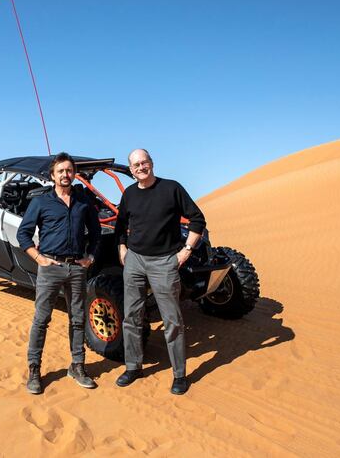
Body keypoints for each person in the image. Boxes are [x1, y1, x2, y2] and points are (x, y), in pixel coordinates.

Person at [114, 148, 206, 395]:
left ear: (151, 164)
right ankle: (133, 366)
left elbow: (197, 219)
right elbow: (120, 224)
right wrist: (122, 248)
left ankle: (179, 374)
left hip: (164, 262)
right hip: (134, 261)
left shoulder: (171, 189)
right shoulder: (130, 194)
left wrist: (186, 251)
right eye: (136, 165)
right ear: (131, 170)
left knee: (172, 320)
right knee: (131, 316)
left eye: (144, 163)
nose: (141, 168)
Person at [17, 152, 102, 394]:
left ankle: (77, 366)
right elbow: (23, 233)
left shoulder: (84, 202)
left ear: (74, 173)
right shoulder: (41, 202)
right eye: (61, 171)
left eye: (69, 170)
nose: (66, 175)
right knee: (41, 320)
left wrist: (90, 258)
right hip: (50, 268)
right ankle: (34, 370)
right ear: (52, 175)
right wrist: (38, 258)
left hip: (77, 268)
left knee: (77, 319)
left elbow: (95, 235)